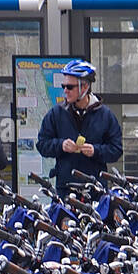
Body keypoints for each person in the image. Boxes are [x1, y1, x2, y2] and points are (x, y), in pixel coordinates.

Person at [37, 60, 123, 195]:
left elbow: (116, 149)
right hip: (66, 189)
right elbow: (42, 144)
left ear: (85, 87)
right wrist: (61, 145)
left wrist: (96, 150)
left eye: (70, 87)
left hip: (95, 190)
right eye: (63, 86)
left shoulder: (105, 115)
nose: (65, 90)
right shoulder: (56, 113)